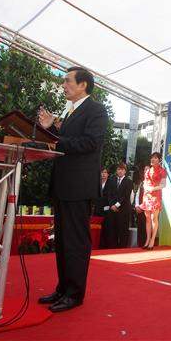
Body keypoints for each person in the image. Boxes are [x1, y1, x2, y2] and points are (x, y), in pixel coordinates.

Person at [37, 67, 107, 313]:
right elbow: (65, 143)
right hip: (63, 185)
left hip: (79, 187)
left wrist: (57, 139)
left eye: (67, 81)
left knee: (75, 242)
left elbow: (90, 142)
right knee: (63, 241)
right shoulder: (70, 112)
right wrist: (51, 129)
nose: (63, 85)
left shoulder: (96, 110)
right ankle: (62, 289)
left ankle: (74, 294)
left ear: (83, 84)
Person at [139, 153, 166, 249]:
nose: (152, 159)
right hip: (147, 195)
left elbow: (163, 185)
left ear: (159, 160)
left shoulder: (162, 171)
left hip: (156, 195)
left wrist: (153, 189)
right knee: (147, 218)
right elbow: (144, 183)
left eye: (155, 158)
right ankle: (147, 239)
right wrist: (146, 188)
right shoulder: (148, 171)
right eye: (152, 158)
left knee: (154, 218)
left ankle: (153, 240)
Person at [106, 163, 133, 248]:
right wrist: (112, 205)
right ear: (116, 171)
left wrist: (116, 205)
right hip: (113, 209)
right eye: (118, 169)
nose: (120, 171)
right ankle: (112, 247)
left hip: (123, 210)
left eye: (122, 169)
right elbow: (109, 194)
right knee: (113, 229)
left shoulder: (128, 181)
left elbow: (125, 196)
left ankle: (122, 248)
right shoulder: (112, 180)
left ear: (125, 171)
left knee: (123, 230)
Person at [131, 166, 148, 248]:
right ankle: (139, 245)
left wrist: (141, 207)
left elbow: (150, 198)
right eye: (145, 170)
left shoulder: (153, 183)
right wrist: (137, 206)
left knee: (146, 228)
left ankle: (146, 244)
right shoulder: (142, 183)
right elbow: (137, 195)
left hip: (147, 209)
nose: (146, 171)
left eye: (148, 170)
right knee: (140, 227)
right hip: (140, 209)